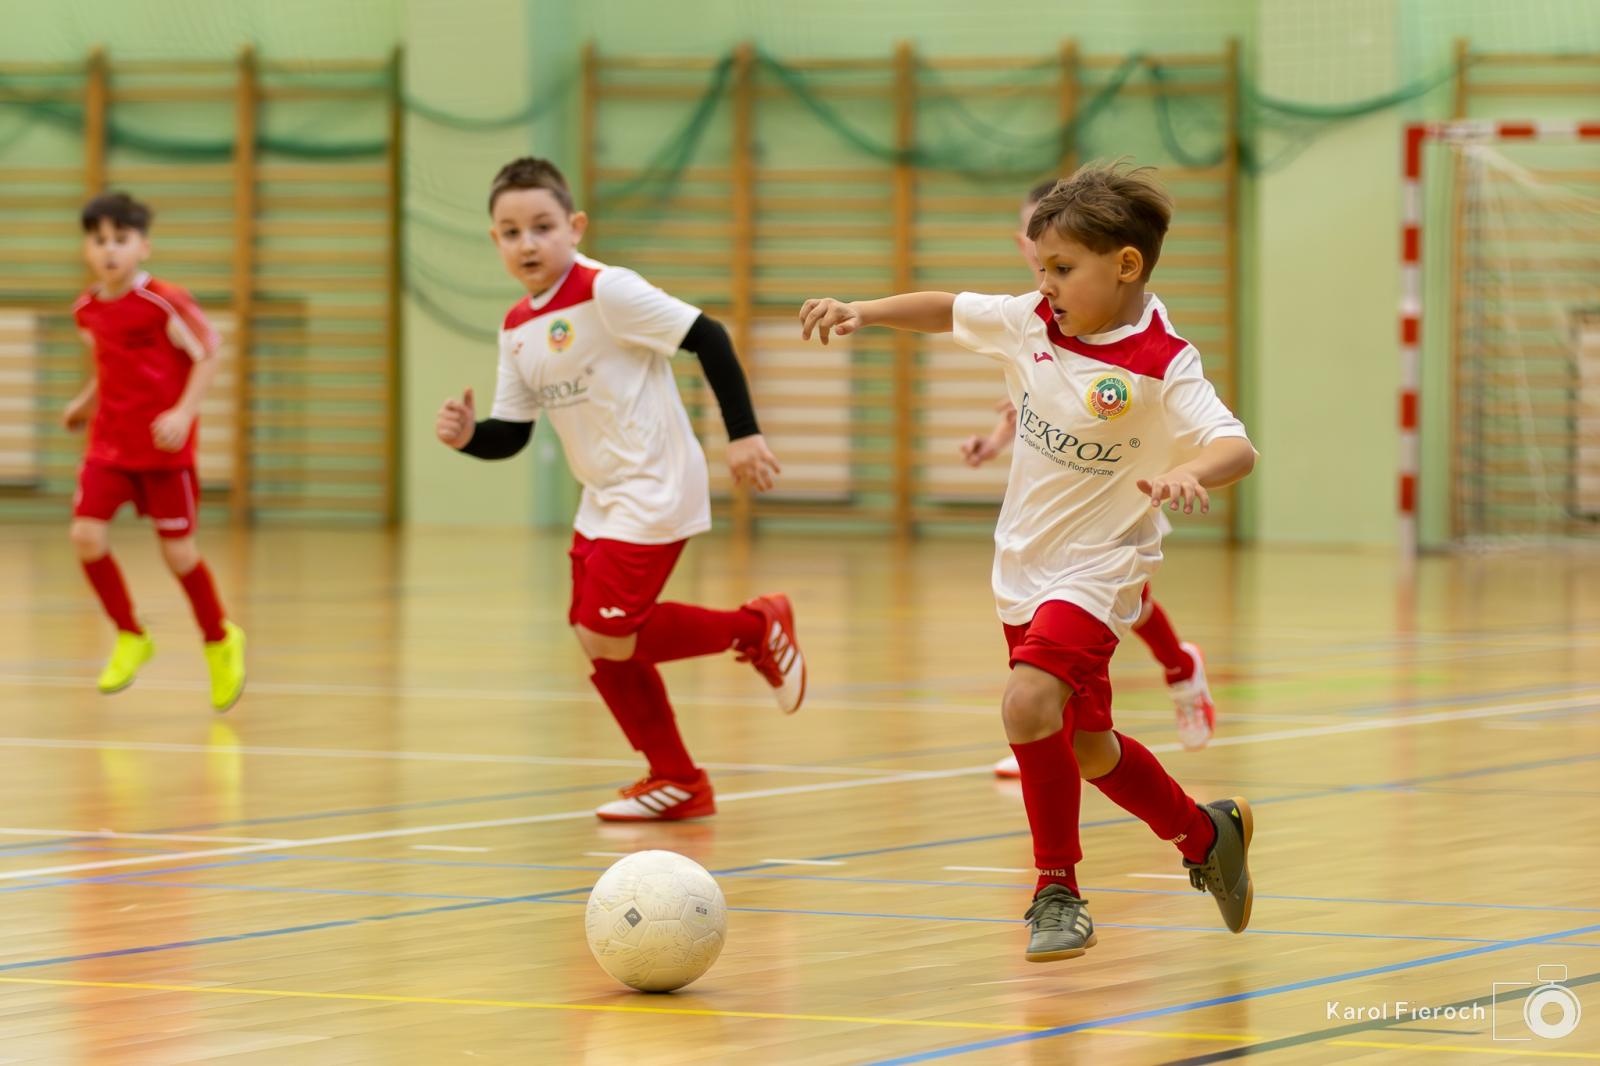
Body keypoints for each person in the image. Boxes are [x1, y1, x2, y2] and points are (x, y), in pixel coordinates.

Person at [799, 162, 1256, 960]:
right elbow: (947, 308)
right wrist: (862, 310)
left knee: (1025, 704)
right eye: (1038, 268)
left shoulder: (1161, 360)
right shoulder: (1030, 322)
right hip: (1023, 569)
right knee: (1087, 748)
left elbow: (1235, 446)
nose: (1043, 286)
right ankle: (1203, 833)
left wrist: (1190, 469)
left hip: (1099, 567)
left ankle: (1057, 890)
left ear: (1126, 266)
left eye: (1061, 269)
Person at [436, 157, 805, 822]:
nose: (528, 243)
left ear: (574, 226)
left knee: (607, 634)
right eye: (511, 231)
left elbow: (709, 337)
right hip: (602, 495)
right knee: (595, 639)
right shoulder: (518, 326)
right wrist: (468, 436)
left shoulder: (608, 291)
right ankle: (677, 780)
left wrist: (743, 433)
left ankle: (758, 626)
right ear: (495, 241)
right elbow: (512, 433)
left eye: (542, 226)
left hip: (655, 484)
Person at [964, 178, 1215, 774]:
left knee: (1112, 597)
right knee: (1090, 634)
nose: (1039, 262)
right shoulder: (1044, 308)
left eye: (1052, 254)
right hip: (1054, 510)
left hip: (1115, 492)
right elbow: (1035, 405)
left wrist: (1190, 469)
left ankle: (1170, 672)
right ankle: (1065, 722)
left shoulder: (1129, 328)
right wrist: (995, 440)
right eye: (1033, 248)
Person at [64, 191, 246, 712]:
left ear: (144, 246)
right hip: (109, 447)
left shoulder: (165, 301)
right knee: (85, 536)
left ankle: (219, 639)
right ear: (87, 249)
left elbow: (209, 352)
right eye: (99, 241)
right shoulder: (87, 310)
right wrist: (83, 404)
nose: (109, 250)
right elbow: (106, 369)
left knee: (179, 554)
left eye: (121, 239)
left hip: (165, 454)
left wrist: (184, 412)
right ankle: (130, 633)